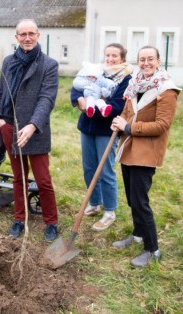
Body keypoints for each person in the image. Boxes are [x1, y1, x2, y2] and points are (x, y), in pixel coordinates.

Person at [111, 46, 180, 267]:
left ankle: (153, 249)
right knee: (132, 199)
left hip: (147, 152)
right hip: (129, 150)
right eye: (142, 59)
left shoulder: (166, 90)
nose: (146, 63)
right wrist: (119, 121)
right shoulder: (134, 84)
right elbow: (127, 112)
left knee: (140, 201)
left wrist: (129, 127)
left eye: (150, 59)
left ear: (158, 61)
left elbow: (162, 125)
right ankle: (138, 235)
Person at [0, 19, 59, 242]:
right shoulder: (8, 62)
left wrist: (32, 125)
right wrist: (0, 120)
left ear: (38, 35)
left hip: (36, 130)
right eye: (23, 34)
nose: (27, 38)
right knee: (19, 178)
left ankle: (51, 222)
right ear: (17, 37)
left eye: (31, 33)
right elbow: (0, 93)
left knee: (43, 180)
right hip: (10, 127)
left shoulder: (48, 65)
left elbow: (47, 99)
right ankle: (19, 219)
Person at [70, 43, 133, 231]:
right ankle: (95, 203)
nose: (110, 59)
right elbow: (78, 85)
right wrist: (79, 100)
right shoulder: (96, 70)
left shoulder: (126, 78)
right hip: (87, 128)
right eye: (108, 55)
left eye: (115, 56)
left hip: (107, 129)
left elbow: (117, 105)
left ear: (122, 58)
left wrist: (94, 108)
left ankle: (110, 211)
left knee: (105, 169)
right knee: (89, 167)